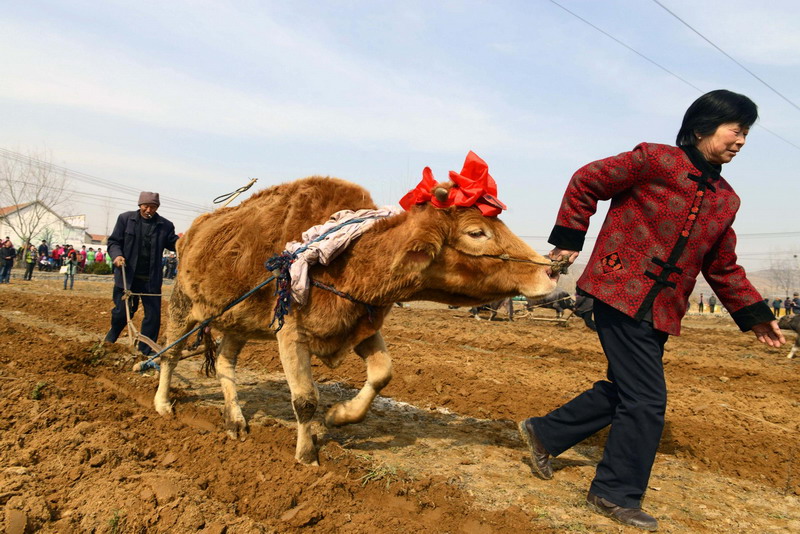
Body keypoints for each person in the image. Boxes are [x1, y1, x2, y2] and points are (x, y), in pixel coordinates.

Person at [517, 90, 784, 532]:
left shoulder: (725, 199)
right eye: (736, 130)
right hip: (616, 289)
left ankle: (546, 433)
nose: (741, 141)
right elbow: (588, 180)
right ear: (702, 127)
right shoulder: (655, 160)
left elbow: (722, 264)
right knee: (647, 399)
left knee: (627, 389)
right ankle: (613, 493)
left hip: (661, 309)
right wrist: (569, 236)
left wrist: (755, 314)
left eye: (746, 134)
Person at [104, 192, 178, 355]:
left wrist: (188, 239)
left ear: (157, 207)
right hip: (127, 277)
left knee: (153, 316)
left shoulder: (165, 225)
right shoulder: (125, 219)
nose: (148, 210)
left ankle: (146, 350)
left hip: (150, 280)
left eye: (152, 207)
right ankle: (112, 336)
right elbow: (114, 242)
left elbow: (175, 244)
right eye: (146, 206)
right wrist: (117, 255)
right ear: (139, 205)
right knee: (123, 312)